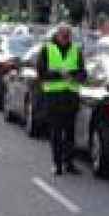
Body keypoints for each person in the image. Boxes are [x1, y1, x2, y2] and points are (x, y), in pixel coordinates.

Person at [37, 23, 86, 176]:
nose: (66, 38)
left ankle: (69, 163)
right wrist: (60, 75)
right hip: (53, 97)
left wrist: (76, 76)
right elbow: (41, 72)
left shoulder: (75, 50)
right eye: (64, 35)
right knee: (56, 133)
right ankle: (57, 164)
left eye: (68, 36)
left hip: (71, 97)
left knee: (70, 133)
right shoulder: (47, 49)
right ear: (57, 35)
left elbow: (83, 73)